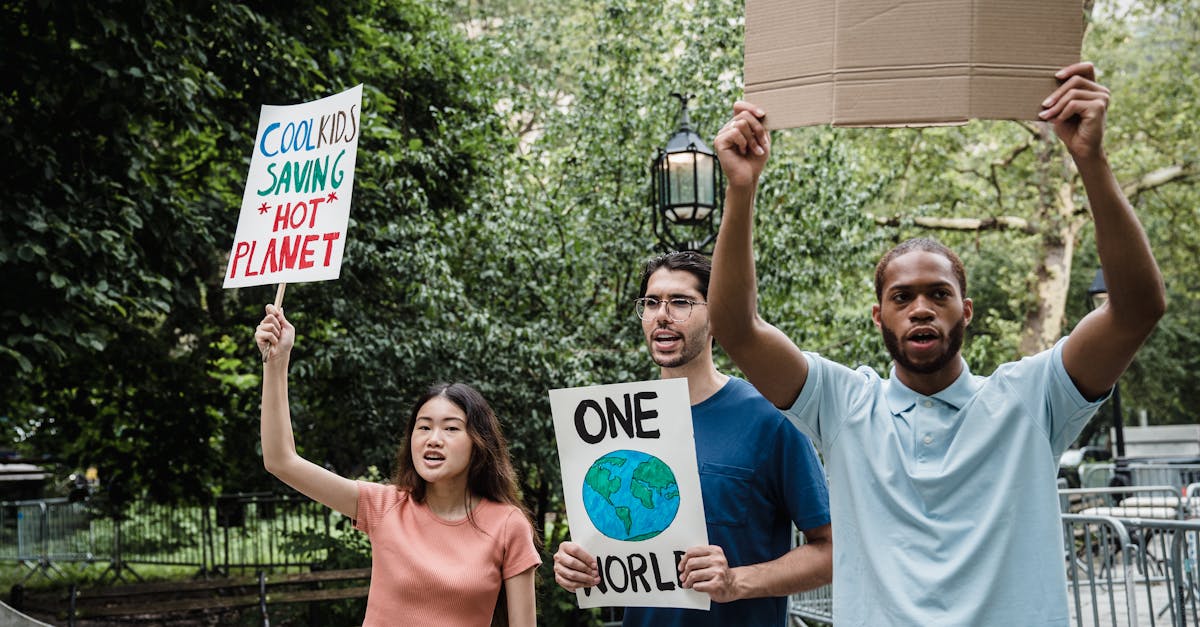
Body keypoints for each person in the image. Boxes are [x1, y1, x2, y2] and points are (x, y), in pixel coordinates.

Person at [708, 62, 1166, 626]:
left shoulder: (1030, 398)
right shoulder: (844, 404)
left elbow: (1138, 310)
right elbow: (735, 329)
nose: (920, 307)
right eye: (902, 297)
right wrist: (741, 187)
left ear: (966, 311)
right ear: (879, 317)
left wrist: (1090, 161)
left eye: (938, 295)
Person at [552, 251, 833, 626]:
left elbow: (832, 552)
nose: (662, 315)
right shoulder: (612, 423)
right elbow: (614, 552)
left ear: (716, 316)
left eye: (680, 302)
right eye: (651, 303)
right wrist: (577, 566)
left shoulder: (770, 418)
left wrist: (737, 581)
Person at [255, 305, 541, 627]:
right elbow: (281, 460)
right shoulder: (384, 506)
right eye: (423, 427)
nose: (433, 439)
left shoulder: (508, 525)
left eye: (450, 428)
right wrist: (277, 363)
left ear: (479, 442)